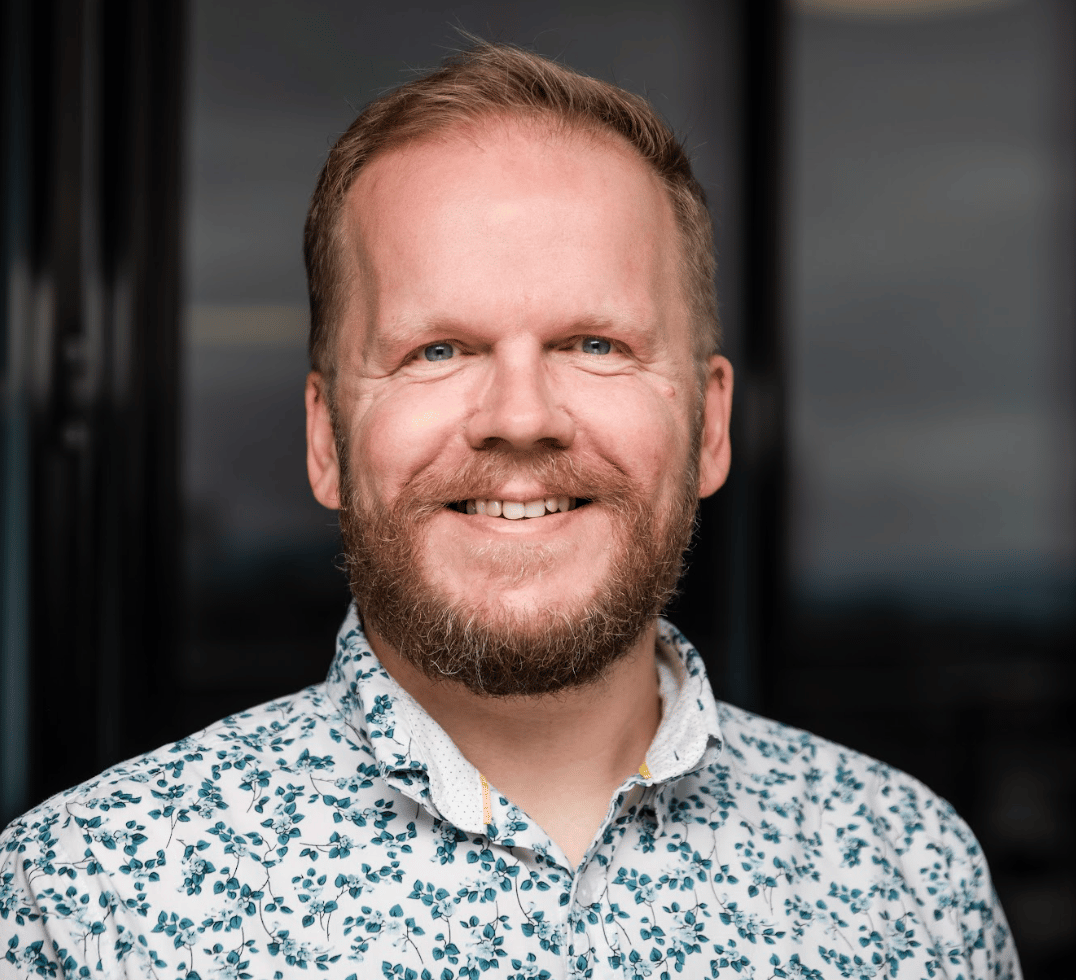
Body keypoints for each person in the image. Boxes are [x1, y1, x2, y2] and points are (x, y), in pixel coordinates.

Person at [0, 41, 1020, 980]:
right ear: (325, 440)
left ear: (709, 425)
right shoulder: (87, 905)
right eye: (436, 349)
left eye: (595, 343)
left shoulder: (907, 881)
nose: (520, 417)